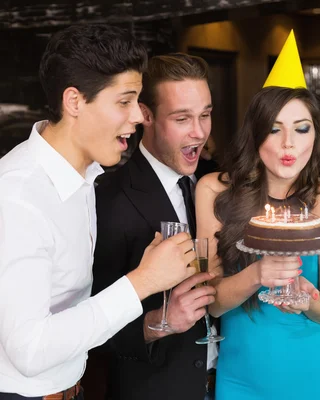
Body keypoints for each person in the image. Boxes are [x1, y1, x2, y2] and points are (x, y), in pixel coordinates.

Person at [0, 24, 196, 399]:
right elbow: (29, 350)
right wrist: (144, 281)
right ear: (74, 101)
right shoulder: (18, 194)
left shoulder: (87, 175)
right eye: (124, 101)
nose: (138, 117)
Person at [195, 31, 320, 399]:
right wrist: (257, 274)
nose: (289, 145)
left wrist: (308, 300)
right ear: (255, 134)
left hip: (313, 377)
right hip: (239, 380)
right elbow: (213, 302)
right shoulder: (214, 191)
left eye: (302, 129)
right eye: (274, 129)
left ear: (315, 136)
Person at [91, 53, 218, 400]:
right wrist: (157, 322)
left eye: (205, 115)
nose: (199, 131)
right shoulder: (108, 199)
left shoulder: (214, 183)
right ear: (146, 115)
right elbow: (87, 329)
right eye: (182, 118)